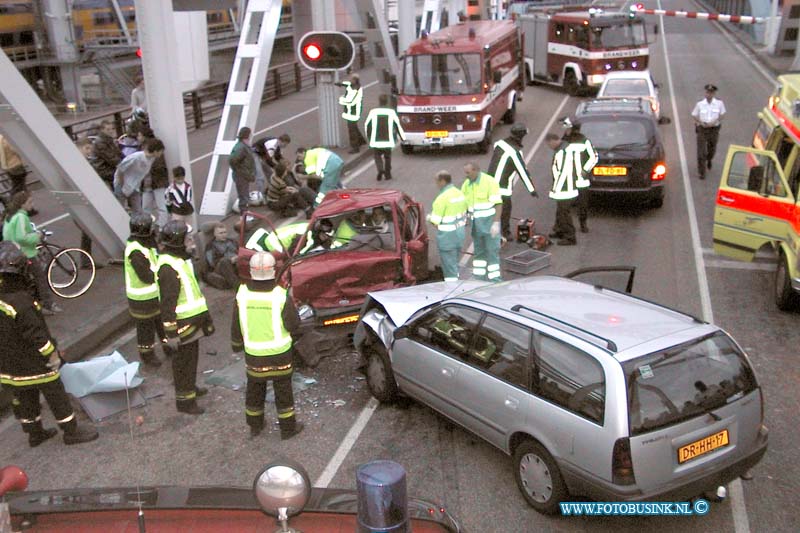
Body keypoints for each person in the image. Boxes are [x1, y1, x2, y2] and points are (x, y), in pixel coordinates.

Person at [0, 241, 99, 446]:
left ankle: (34, 433)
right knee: (55, 394)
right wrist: (52, 354)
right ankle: (70, 431)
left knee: (25, 398)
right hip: (34, 363)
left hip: (9, 365)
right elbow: (37, 335)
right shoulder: (21, 301)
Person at [231, 252, 304, 439]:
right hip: (280, 354)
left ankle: (255, 426)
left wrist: (236, 344)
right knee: (284, 392)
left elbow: (236, 324)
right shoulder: (280, 295)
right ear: (273, 271)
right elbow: (293, 324)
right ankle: (288, 429)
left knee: (254, 390)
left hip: (254, 355)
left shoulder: (242, 294)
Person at [157, 220, 215, 415]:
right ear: (177, 242)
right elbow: (167, 303)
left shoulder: (178, 261)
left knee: (190, 361)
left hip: (191, 322)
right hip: (183, 325)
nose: (191, 242)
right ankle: (185, 401)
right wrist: (171, 333)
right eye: (188, 239)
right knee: (184, 363)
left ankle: (189, 388)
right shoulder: (169, 267)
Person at [2, 191, 61, 314]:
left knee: (27, 281)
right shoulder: (22, 217)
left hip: (13, 254)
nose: (32, 204)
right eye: (29, 202)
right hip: (26, 253)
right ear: (22, 204)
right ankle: (49, 305)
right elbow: (22, 237)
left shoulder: (10, 216)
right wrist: (36, 236)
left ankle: (35, 305)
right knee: (40, 278)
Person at [124, 213, 165, 368]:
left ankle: (167, 346)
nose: (153, 229)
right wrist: (163, 274)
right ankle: (147, 355)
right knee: (146, 330)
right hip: (142, 299)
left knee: (161, 323)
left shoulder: (147, 243)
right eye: (151, 227)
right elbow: (146, 276)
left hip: (154, 295)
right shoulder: (136, 251)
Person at [487, 123, 537, 240]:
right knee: (505, 210)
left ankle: (487, 231)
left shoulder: (500, 144)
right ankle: (505, 232)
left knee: (490, 209)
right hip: (502, 188)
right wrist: (532, 190)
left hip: (489, 184)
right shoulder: (515, 152)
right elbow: (523, 172)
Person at [461, 163, 502, 281]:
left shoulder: (489, 182)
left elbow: (498, 204)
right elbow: (464, 204)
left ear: (475, 171)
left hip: (489, 225)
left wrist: (496, 223)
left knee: (492, 252)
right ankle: (479, 278)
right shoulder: (467, 185)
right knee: (479, 253)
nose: (466, 175)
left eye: (468, 173)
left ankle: (495, 280)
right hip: (476, 226)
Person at [428, 171, 467, 282]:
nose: (436, 184)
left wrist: (429, 218)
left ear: (443, 181)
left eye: (437, 181)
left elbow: (435, 221)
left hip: (447, 239)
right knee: (454, 263)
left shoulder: (441, 199)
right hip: (459, 235)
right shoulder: (459, 193)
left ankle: (451, 291)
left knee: (449, 270)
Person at [114, 138, 165, 214]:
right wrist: (121, 185)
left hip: (135, 187)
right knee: (120, 210)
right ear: (155, 151)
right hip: (123, 185)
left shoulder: (152, 159)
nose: (161, 154)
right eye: (160, 151)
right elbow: (120, 169)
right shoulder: (136, 157)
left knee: (138, 211)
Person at [364, 94, 406, 181]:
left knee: (377, 156)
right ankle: (388, 174)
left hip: (376, 140)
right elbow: (398, 126)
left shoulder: (373, 112)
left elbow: (367, 125)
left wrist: (369, 137)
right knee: (387, 157)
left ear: (379, 102)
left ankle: (380, 169)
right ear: (387, 102)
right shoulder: (391, 112)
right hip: (388, 141)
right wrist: (402, 138)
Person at [691, 83, 726, 180]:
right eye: (707, 92)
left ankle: (709, 159)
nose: (709, 94)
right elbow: (694, 114)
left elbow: (722, 114)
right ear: (705, 93)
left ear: (714, 94)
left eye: (711, 93)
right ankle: (701, 172)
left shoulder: (719, 103)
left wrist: (715, 121)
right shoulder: (700, 104)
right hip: (702, 129)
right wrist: (700, 122)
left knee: (712, 149)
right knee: (701, 152)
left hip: (714, 129)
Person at [141, 130, 170, 228]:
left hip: (155, 183)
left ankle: (160, 227)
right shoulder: (148, 151)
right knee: (153, 207)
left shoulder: (151, 153)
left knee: (155, 207)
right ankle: (155, 227)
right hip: (150, 184)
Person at [204, 223, 239, 290]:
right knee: (224, 262)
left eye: (225, 232)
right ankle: (238, 288)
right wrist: (230, 260)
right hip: (220, 267)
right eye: (221, 233)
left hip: (236, 262)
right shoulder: (210, 246)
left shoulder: (233, 241)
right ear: (215, 234)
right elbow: (212, 263)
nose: (223, 235)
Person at [337, 74, 366, 153]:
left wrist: (340, 99)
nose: (350, 80)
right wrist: (340, 83)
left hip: (353, 111)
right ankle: (361, 141)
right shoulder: (353, 85)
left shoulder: (355, 89)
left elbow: (349, 100)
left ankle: (355, 147)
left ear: (355, 80)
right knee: (354, 126)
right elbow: (346, 84)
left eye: (351, 79)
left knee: (351, 129)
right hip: (351, 111)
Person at [230, 127, 256, 213]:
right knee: (243, 196)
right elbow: (233, 160)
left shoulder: (243, 146)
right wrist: (241, 170)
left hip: (243, 175)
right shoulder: (241, 147)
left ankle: (245, 215)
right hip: (241, 175)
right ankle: (244, 216)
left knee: (244, 195)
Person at [91, 119, 122, 189]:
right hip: (103, 169)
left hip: (109, 167)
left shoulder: (109, 139)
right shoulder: (100, 142)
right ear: (102, 130)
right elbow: (111, 158)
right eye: (108, 129)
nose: (111, 131)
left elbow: (118, 153)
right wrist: (124, 164)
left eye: (112, 129)